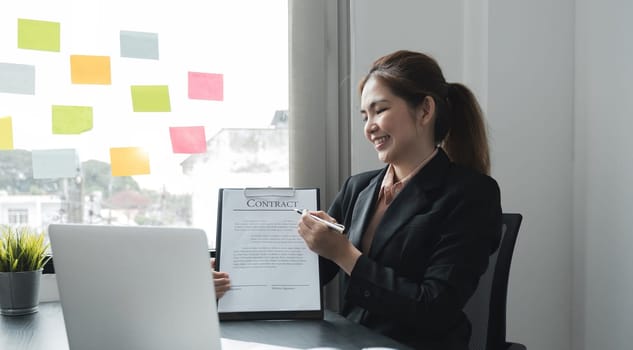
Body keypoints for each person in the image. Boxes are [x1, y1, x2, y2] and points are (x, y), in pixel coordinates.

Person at [215, 50, 502, 350]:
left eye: (380, 110)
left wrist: (344, 254)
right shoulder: (359, 187)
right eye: (365, 116)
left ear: (425, 111)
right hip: (351, 341)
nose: (369, 126)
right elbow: (310, 274)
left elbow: (434, 308)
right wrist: (229, 277)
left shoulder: (471, 194)